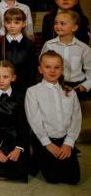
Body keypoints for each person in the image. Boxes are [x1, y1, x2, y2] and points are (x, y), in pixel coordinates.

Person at [25, 50, 81, 184]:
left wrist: (68, 143)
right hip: (44, 139)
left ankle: (51, 157)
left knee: (74, 179)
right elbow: (34, 120)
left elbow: (76, 118)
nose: (52, 71)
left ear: (62, 70)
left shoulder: (70, 92)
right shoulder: (33, 91)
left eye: (56, 67)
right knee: (53, 178)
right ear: (40, 69)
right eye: (47, 67)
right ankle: (38, 155)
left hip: (64, 139)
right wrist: (47, 144)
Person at [41, 10, 91, 96]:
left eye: (62, 23)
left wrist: (83, 87)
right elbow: (43, 66)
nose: (57, 26)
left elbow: (90, 71)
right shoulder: (49, 45)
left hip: (76, 87)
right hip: (53, 85)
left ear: (74, 27)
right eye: (56, 23)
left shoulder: (83, 48)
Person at [0, 8, 37, 93]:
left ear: (23, 24)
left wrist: (30, 89)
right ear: (4, 23)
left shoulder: (29, 44)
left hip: (24, 87)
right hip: (4, 87)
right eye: (8, 22)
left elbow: (32, 69)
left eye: (16, 23)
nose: (12, 26)